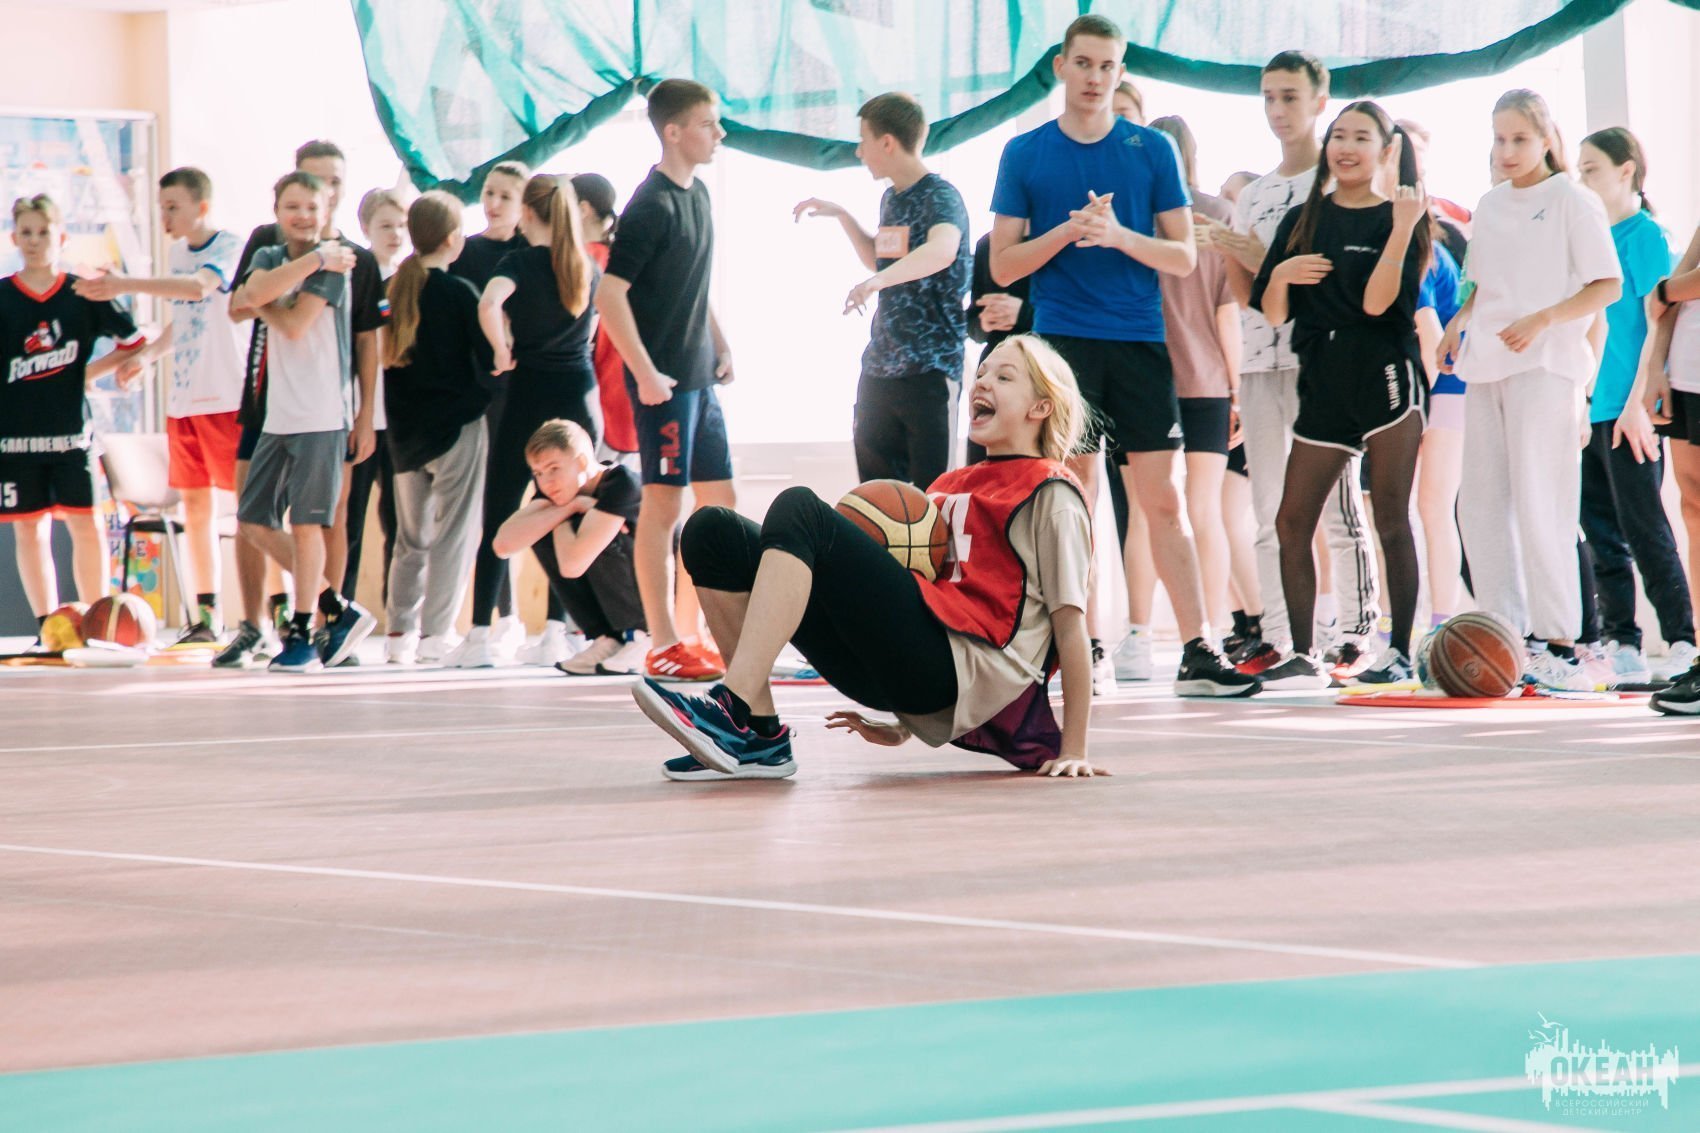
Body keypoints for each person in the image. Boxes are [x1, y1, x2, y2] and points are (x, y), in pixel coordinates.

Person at [629, 334, 1116, 780]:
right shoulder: (947, 487)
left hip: (959, 673)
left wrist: (1074, 748)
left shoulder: (1052, 492)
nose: (983, 382)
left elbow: (1069, 626)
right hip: (909, 668)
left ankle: (732, 705)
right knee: (713, 530)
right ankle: (757, 734)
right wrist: (905, 722)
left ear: (1041, 407)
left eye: (1004, 377)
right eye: (983, 372)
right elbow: (924, 597)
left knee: (802, 510)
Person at [988, 13, 1253, 698]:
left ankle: (1197, 651)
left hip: (1140, 345)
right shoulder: (1025, 152)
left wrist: (1116, 234)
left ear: (1120, 73)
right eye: (1084, 64)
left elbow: (1184, 254)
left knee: (1163, 500)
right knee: (1074, 501)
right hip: (1064, 350)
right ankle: (1085, 650)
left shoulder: (1151, 150)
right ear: (1061, 67)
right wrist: (1066, 232)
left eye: (1107, 66)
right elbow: (1004, 263)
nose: (1095, 77)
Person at [1206, 51, 1382, 681]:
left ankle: (1357, 634)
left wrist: (1259, 255)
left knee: (1336, 505)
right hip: (1260, 364)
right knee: (1269, 511)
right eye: (1269, 98)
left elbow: (1330, 283)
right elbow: (1244, 291)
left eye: (1289, 97)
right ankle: (1284, 638)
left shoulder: (1337, 189)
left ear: (1319, 100)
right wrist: (1240, 255)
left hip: (1325, 363)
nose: (1278, 110)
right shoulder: (1253, 194)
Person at [1440, 89, 1621, 691]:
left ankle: (1561, 646)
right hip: (1485, 366)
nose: (1508, 150)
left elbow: (1607, 286)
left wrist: (1544, 320)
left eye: (1520, 138)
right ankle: (1507, 637)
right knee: (1480, 505)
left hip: (1547, 366)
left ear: (1546, 139)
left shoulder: (1573, 199)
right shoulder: (1489, 204)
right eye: (1500, 138)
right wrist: (1458, 322)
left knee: (1544, 501)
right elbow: (1479, 285)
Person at [1250, 104, 1432, 688]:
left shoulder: (1403, 216)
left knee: (1391, 517)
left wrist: (1401, 227)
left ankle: (1398, 650)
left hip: (1385, 375)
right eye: (1339, 136)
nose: (1346, 148)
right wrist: (1281, 275)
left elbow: (1379, 305)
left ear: (1386, 151)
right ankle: (1304, 654)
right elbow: (1273, 312)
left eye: (1361, 138)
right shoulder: (1303, 218)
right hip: (1323, 379)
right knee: (1291, 520)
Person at [218, 140, 383, 668]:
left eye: (313, 205)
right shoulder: (275, 253)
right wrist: (270, 286)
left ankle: (302, 631)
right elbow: (236, 304)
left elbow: (289, 323)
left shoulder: (339, 262)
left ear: (330, 205)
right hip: (275, 413)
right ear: (277, 210)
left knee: (311, 523)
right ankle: (336, 606)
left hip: (321, 414)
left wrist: (261, 297)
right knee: (253, 520)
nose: (303, 214)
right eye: (293, 206)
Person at [595, 78, 738, 683]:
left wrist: (720, 342)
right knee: (663, 507)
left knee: (721, 504)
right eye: (708, 124)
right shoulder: (648, 205)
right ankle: (662, 643)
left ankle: (696, 632)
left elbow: (692, 286)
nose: (719, 133)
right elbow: (609, 296)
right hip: (664, 386)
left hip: (700, 378)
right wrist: (645, 373)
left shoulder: (698, 193)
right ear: (674, 132)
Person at [71, 167, 244, 645]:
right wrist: (146, 356)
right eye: (161, 207)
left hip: (226, 399)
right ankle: (207, 617)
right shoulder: (175, 254)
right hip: (184, 403)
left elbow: (197, 289)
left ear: (201, 207)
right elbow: (183, 320)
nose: (165, 216)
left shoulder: (230, 247)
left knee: (251, 511)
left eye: (173, 207)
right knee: (196, 509)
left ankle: (275, 614)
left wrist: (125, 285)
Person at [1111, 115, 1241, 680]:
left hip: (1139, 380)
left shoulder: (1127, 217)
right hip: (1207, 381)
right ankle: (1209, 637)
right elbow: (1227, 311)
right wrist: (1237, 389)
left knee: (1144, 514)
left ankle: (1139, 639)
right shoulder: (1217, 214)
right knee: (1203, 513)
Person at [453, 174, 601, 668]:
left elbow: (488, 302)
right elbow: (594, 329)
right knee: (567, 511)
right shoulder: (585, 265)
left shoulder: (518, 262)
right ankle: (559, 632)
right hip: (581, 399)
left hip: (530, 396)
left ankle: (480, 635)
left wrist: (500, 349)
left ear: (528, 213)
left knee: (500, 509)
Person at [793, 92, 970, 489]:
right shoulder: (891, 198)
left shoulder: (941, 196)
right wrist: (843, 216)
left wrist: (876, 283)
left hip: (930, 368)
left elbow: (941, 250)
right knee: (876, 498)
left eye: (863, 140)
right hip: (879, 368)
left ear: (887, 142)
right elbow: (882, 260)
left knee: (932, 497)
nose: (859, 152)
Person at [1572, 128, 1694, 684]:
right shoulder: (1592, 238)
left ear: (1627, 171)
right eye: (1579, 170)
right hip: (1593, 407)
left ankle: (1683, 640)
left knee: (1645, 527)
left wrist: (1636, 404)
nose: (1583, 180)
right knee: (1600, 532)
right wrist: (1584, 402)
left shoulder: (1645, 236)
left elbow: (1657, 319)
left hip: (1630, 410)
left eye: (1592, 169)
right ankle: (1623, 641)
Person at [1, 194, 150, 625]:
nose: (34, 241)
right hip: (15, 439)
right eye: (26, 232)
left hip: (72, 436)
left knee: (87, 524)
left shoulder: (84, 291)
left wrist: (87, 372)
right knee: (30, 528)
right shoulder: (3, 296)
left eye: (43, 232)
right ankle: (47, 625)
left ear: (62, 236)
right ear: (14, 238)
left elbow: (133, 342)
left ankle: (98, 622)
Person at [378, 192, 491, 664]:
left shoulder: (391, 291)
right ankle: (434, 635)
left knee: (410, 539)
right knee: (452, 535)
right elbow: (487, 359)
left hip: (404, 436)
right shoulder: (460, 293)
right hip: (456, 429)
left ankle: (397, 634)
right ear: (452, 239)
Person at [450, 160, 533, 656]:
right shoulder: (466, 252)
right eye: (489, 193)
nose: (494, 203)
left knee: (530, 504)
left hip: (527, 389)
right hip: (479, 392)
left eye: (506, 195)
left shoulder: (530, 254)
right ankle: (500, 615)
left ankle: (539, 621)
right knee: (491, 508)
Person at [493, 419, 649, 675]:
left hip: (664, 601)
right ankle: (609, 640)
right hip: (622, 597)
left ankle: (643, 637)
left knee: (594, 531)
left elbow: (572, 566)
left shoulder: (621, 484)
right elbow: (503, 545)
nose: (546, 482)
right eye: (538, 473)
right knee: (540, 528)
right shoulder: (561, 492)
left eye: (554, 468)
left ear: (583, 462)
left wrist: (562, 515)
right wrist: (570, 508)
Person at [343, 188, 407, 612]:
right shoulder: (357, 277)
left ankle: (398, 615)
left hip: (399, 421)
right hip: (360, 416)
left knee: (399, 523)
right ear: (365, 228)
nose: (395, 234)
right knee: (349, 521)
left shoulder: (411, 280)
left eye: (401, 225)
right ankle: (340, 609)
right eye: (386, 225)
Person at [570, 172, 638, 460]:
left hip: (597, 390)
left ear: (583, 209)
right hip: (628, 389)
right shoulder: (624, 260)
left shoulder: (581, 261)